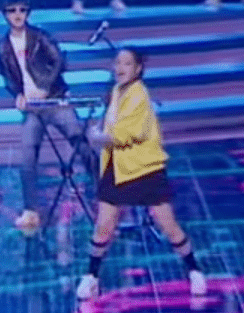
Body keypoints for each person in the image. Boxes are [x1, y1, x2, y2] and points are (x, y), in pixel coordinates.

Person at [77, 48, 206, 299]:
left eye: (127, 64)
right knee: (104, 226)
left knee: (167, 224)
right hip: (116, 167)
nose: (120, 68)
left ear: (138, 69)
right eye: (118, 63)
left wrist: (100, 138)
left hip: (144, 168)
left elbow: (128, 133)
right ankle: (91, 277)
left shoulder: (140, 95)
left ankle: (194, 271)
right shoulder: (116, 91)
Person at [0, 0, 95, 234]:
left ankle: (106, 195)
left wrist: (45, 87)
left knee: (81, 145)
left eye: (22, 10)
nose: (17, 14)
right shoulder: (2, 46)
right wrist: (18, 94)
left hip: (56, 101)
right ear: (5, 15)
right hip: (33, 108)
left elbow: (59, 61)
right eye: (12, 10)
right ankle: (31, 210)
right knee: (27, 157)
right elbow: (7, 77)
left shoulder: (40, 37)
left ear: (28, 13)